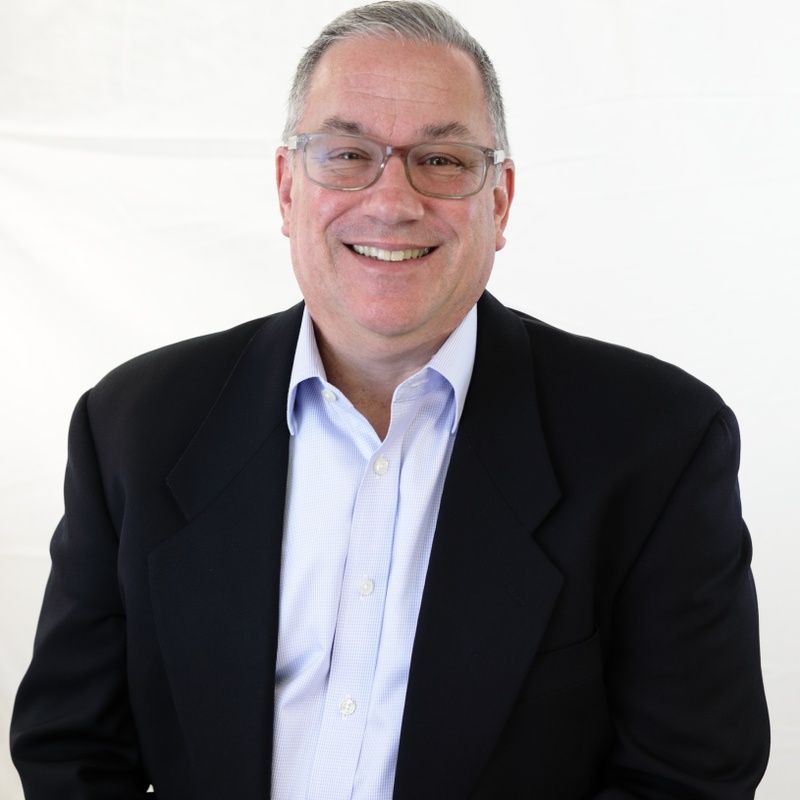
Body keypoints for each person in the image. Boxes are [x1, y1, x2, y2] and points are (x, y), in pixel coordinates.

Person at [10, 2, 769, 798]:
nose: (390, 200)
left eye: (442, 160)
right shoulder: (135, 426)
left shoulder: (659, 445)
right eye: (346, 153)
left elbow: (687, 779)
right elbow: (72, 751)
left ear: (499, 202)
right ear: (285, 188)